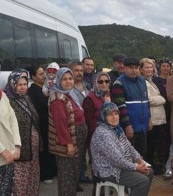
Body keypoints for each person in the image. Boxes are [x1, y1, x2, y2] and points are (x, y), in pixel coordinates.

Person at [91, 102, 153, 196]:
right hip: (109, 170)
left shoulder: (116, 129)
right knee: (142, 181)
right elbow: (117, 160)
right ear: (103, 116)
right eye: (110, 115)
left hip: (119, 165)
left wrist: (139, 160)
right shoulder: (103, 134)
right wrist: (135, 167)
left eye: (116, 114)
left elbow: (129, 147)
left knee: (149, 171)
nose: (114, 117)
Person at [48, 67, 88, 196]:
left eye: (70, 78)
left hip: (76, 139)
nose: (69, 82)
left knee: (73, 176)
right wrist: (68, 143)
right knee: (67, 177)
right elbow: (61, 124)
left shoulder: (68, 94)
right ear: (59, 80)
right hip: (67, 144)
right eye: (64, 79)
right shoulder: (58, 99)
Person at [5, 69, 40, 196]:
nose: (22, 87)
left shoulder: (26, 98)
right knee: (19, 180)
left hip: (32, 149)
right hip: (19, 150)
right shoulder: (8, 101)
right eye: (19, 85)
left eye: (25, 84)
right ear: (13, 85)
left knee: (32, 177)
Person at [111, 57, 152, 159]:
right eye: (131, 68)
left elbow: (146, 102)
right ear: (124, 68)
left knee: (143, 155)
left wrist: (149, 119)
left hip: (142, 127)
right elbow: (120, 107)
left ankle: (143, 174)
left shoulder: (142, 80)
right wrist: (127, 126)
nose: (134, 70)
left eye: (136, 68)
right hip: (130, 127)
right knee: (130, 157)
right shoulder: (119, 83)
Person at [82, 72, 111, 195]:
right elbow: (89, 122)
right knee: (98, 168)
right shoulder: (90, 98)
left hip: (109, 137)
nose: (104, 84)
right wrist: (106, 106)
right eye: (100, 81)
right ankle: (98, 192)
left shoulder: (108, 95)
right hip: (95, 139)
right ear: (95, 83)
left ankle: (107, 189)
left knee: (108, 166)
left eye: (106, 81)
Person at [27, 65, 57, 183]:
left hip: (49, 123)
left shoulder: (45, 88)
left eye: (43, 73)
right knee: (43, 150)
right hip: (41, 124)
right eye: (40, 74)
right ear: (33, 77)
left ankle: (52, 171)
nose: (44, 75)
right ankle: (45, 174)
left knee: (50, 149)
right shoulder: (32, 91)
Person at [140, 58, 169, 175]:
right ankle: (150, 166)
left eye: (151, 67)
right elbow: (148, 99)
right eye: (146, 67)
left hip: (159, 117)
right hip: (152, 118)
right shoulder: (142, 82)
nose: (149, 69)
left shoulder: (151, 81)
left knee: (156, 143)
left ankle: (153, 164)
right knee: (150, 144)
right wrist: (162, 99)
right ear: (141, 69)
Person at [0, 80, 21, 196]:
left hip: (8, 157)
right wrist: (2, 150)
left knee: (6, 191)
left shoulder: (2, 95)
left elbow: (13, 120)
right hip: (3, 154)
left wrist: (16, 145)